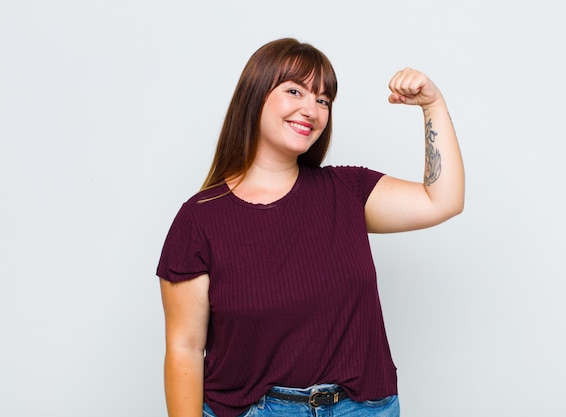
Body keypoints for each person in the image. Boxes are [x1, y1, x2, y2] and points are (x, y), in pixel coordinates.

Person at [157, 38, 464, 417]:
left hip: (363, 409)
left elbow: (444, 200)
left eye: (323, 100)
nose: (312, 109)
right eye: (294, 91)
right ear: (255, 96)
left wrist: (432, 105)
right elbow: (184, 347)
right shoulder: (199, 219)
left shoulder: (348, 191)